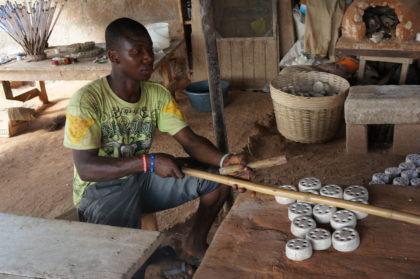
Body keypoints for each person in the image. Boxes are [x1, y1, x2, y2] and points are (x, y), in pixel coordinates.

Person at [63, 17, 248, 260]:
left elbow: (190, 141)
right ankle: (150, 264)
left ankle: (194, 243)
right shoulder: (86, 101)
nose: (149, 57)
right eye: (137, 51)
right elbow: (86, 169)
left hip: (143, 179)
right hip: (101, 190)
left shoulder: (157, 94)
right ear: (115, 56)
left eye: (149, 49)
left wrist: (226, 161)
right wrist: (148, 163)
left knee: (218, 179)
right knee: (121, 259)